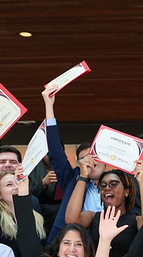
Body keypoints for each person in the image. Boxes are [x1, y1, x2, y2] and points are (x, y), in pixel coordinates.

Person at [42, 84, 107, 241]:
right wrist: (49, 106)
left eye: (94, 157)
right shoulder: (72, 180)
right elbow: (56, 153)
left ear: (105, 161)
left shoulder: (118, 183)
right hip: (70, 245)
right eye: (84, 159)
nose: (90, 162)